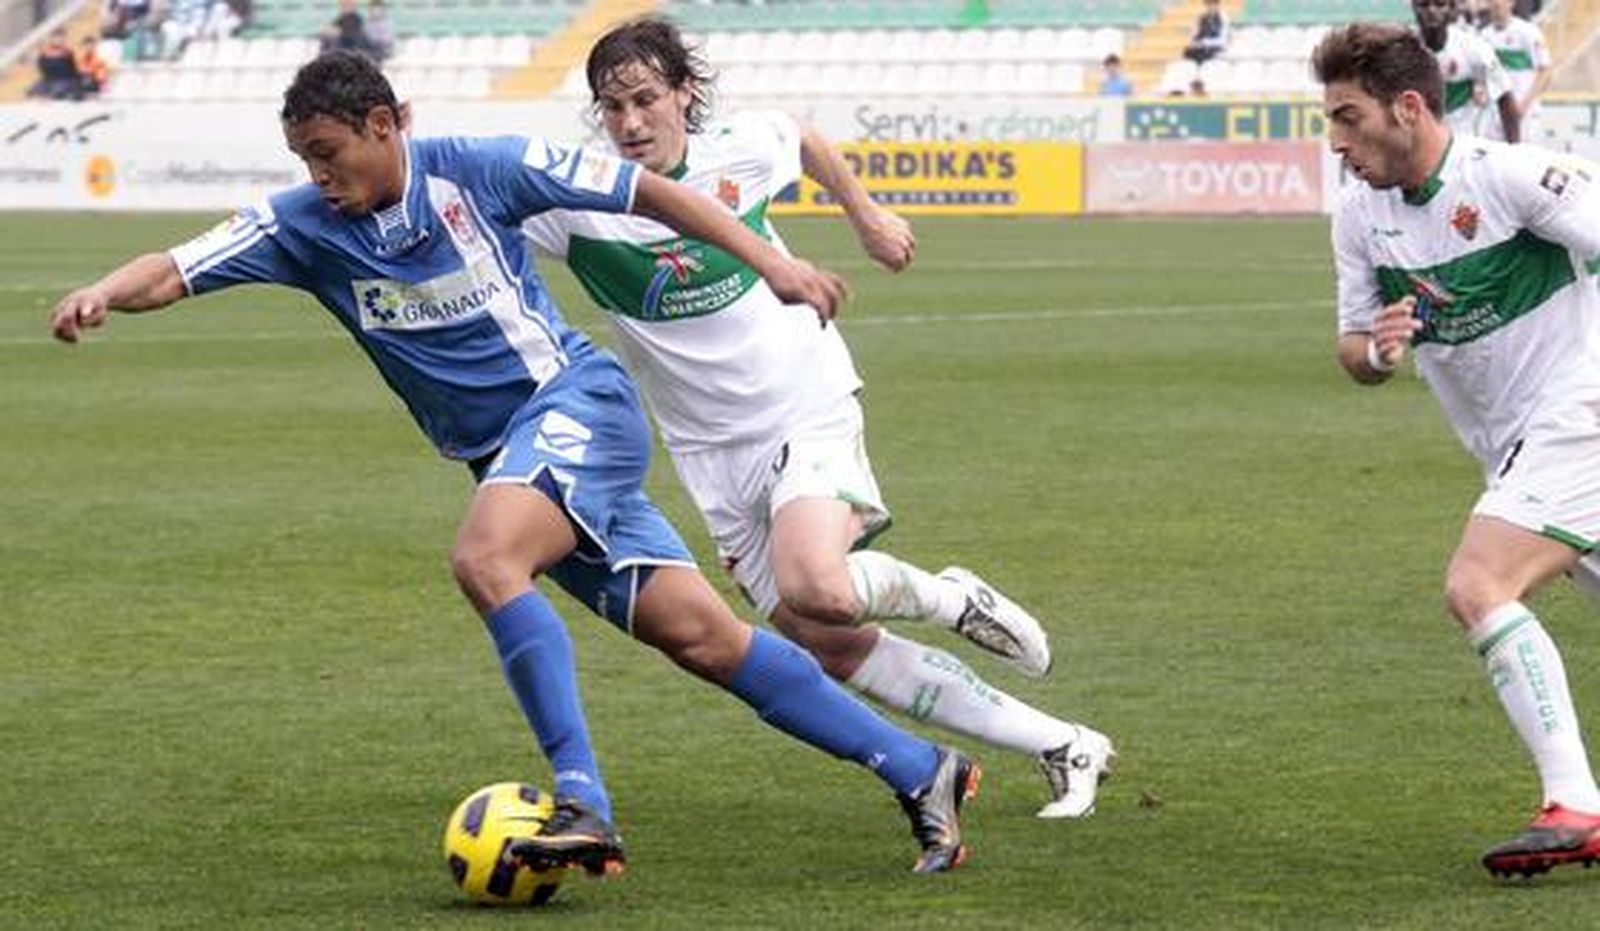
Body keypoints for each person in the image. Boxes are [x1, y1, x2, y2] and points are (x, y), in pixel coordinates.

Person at [48, 50, 983, 876]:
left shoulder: (481, 169)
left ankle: (583, 801)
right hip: (513, 462)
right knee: (704, 639)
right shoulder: (304, 225)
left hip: (580, 408)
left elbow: (646, 192)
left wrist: (770, 263)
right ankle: (920, 768)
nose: (318, 176)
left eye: (329, 155)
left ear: (386, 127)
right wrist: (101, 292)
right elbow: (174, 267)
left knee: (487, 560)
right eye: (305, 160)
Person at [522, 18, 1115, 820]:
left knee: (819, 586)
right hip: (711, 454)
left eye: (645, 99)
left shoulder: (738, 147)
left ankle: (949, 596)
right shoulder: (581, 205)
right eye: (612, 106)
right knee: (826, 640)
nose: (629, 123)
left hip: (804, 402)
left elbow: (802, 139)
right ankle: (1064, 742)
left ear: (682, 94)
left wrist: (864, 215)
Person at [1316, 22, 1600, 878]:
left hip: (1579, 409)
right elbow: (1353, 348)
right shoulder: (1359, 216)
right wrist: (1381, 348)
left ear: (1407, 108)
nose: (1335, 140)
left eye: (1347, 117)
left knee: (1479, 583)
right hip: (1512, 444)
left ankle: (1576, 802)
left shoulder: (1512, 177)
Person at [1413, 0, 1518, 142]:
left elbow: (1505, 97)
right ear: (1414, 7)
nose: (1431, 11)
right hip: (1420, 143)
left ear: (1452, 9)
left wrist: (1514, 148)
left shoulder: (1474, 47)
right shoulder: (1404, 49)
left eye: (1440, 4)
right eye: (1424, 5)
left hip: (1463, 142)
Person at [1479, 0, 1551, 144]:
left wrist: (1524, 105)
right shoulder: (1483, 36)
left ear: (1511, 2)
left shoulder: (1528, 32)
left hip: (1525, 113)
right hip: (1496, 113)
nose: (1497, 3)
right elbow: (1482, 73)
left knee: (1525, 159)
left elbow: (1545, 71)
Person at [28, 29, 84, 101]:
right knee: (32, 92)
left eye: (61, 37)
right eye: (56, 37)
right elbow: (41, 68)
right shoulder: (45, 53)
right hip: (49, 81)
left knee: (59, 91)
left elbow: (73, 69)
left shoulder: (67, 52)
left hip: (65, 81)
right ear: (51, 38)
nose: (59, 40)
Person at [1182, 0, 1228, 65]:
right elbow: (1194, 34)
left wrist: (1205, 42)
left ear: (1217, 5)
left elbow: (1222, 40)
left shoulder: (1222, 17)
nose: (1210, 7)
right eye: (1208, 4)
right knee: (1188, 52)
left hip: (1215, 47)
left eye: (1213, 4)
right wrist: (1195, 42)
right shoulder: (1202, 17)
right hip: (1202, 47)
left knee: (1203, 55)